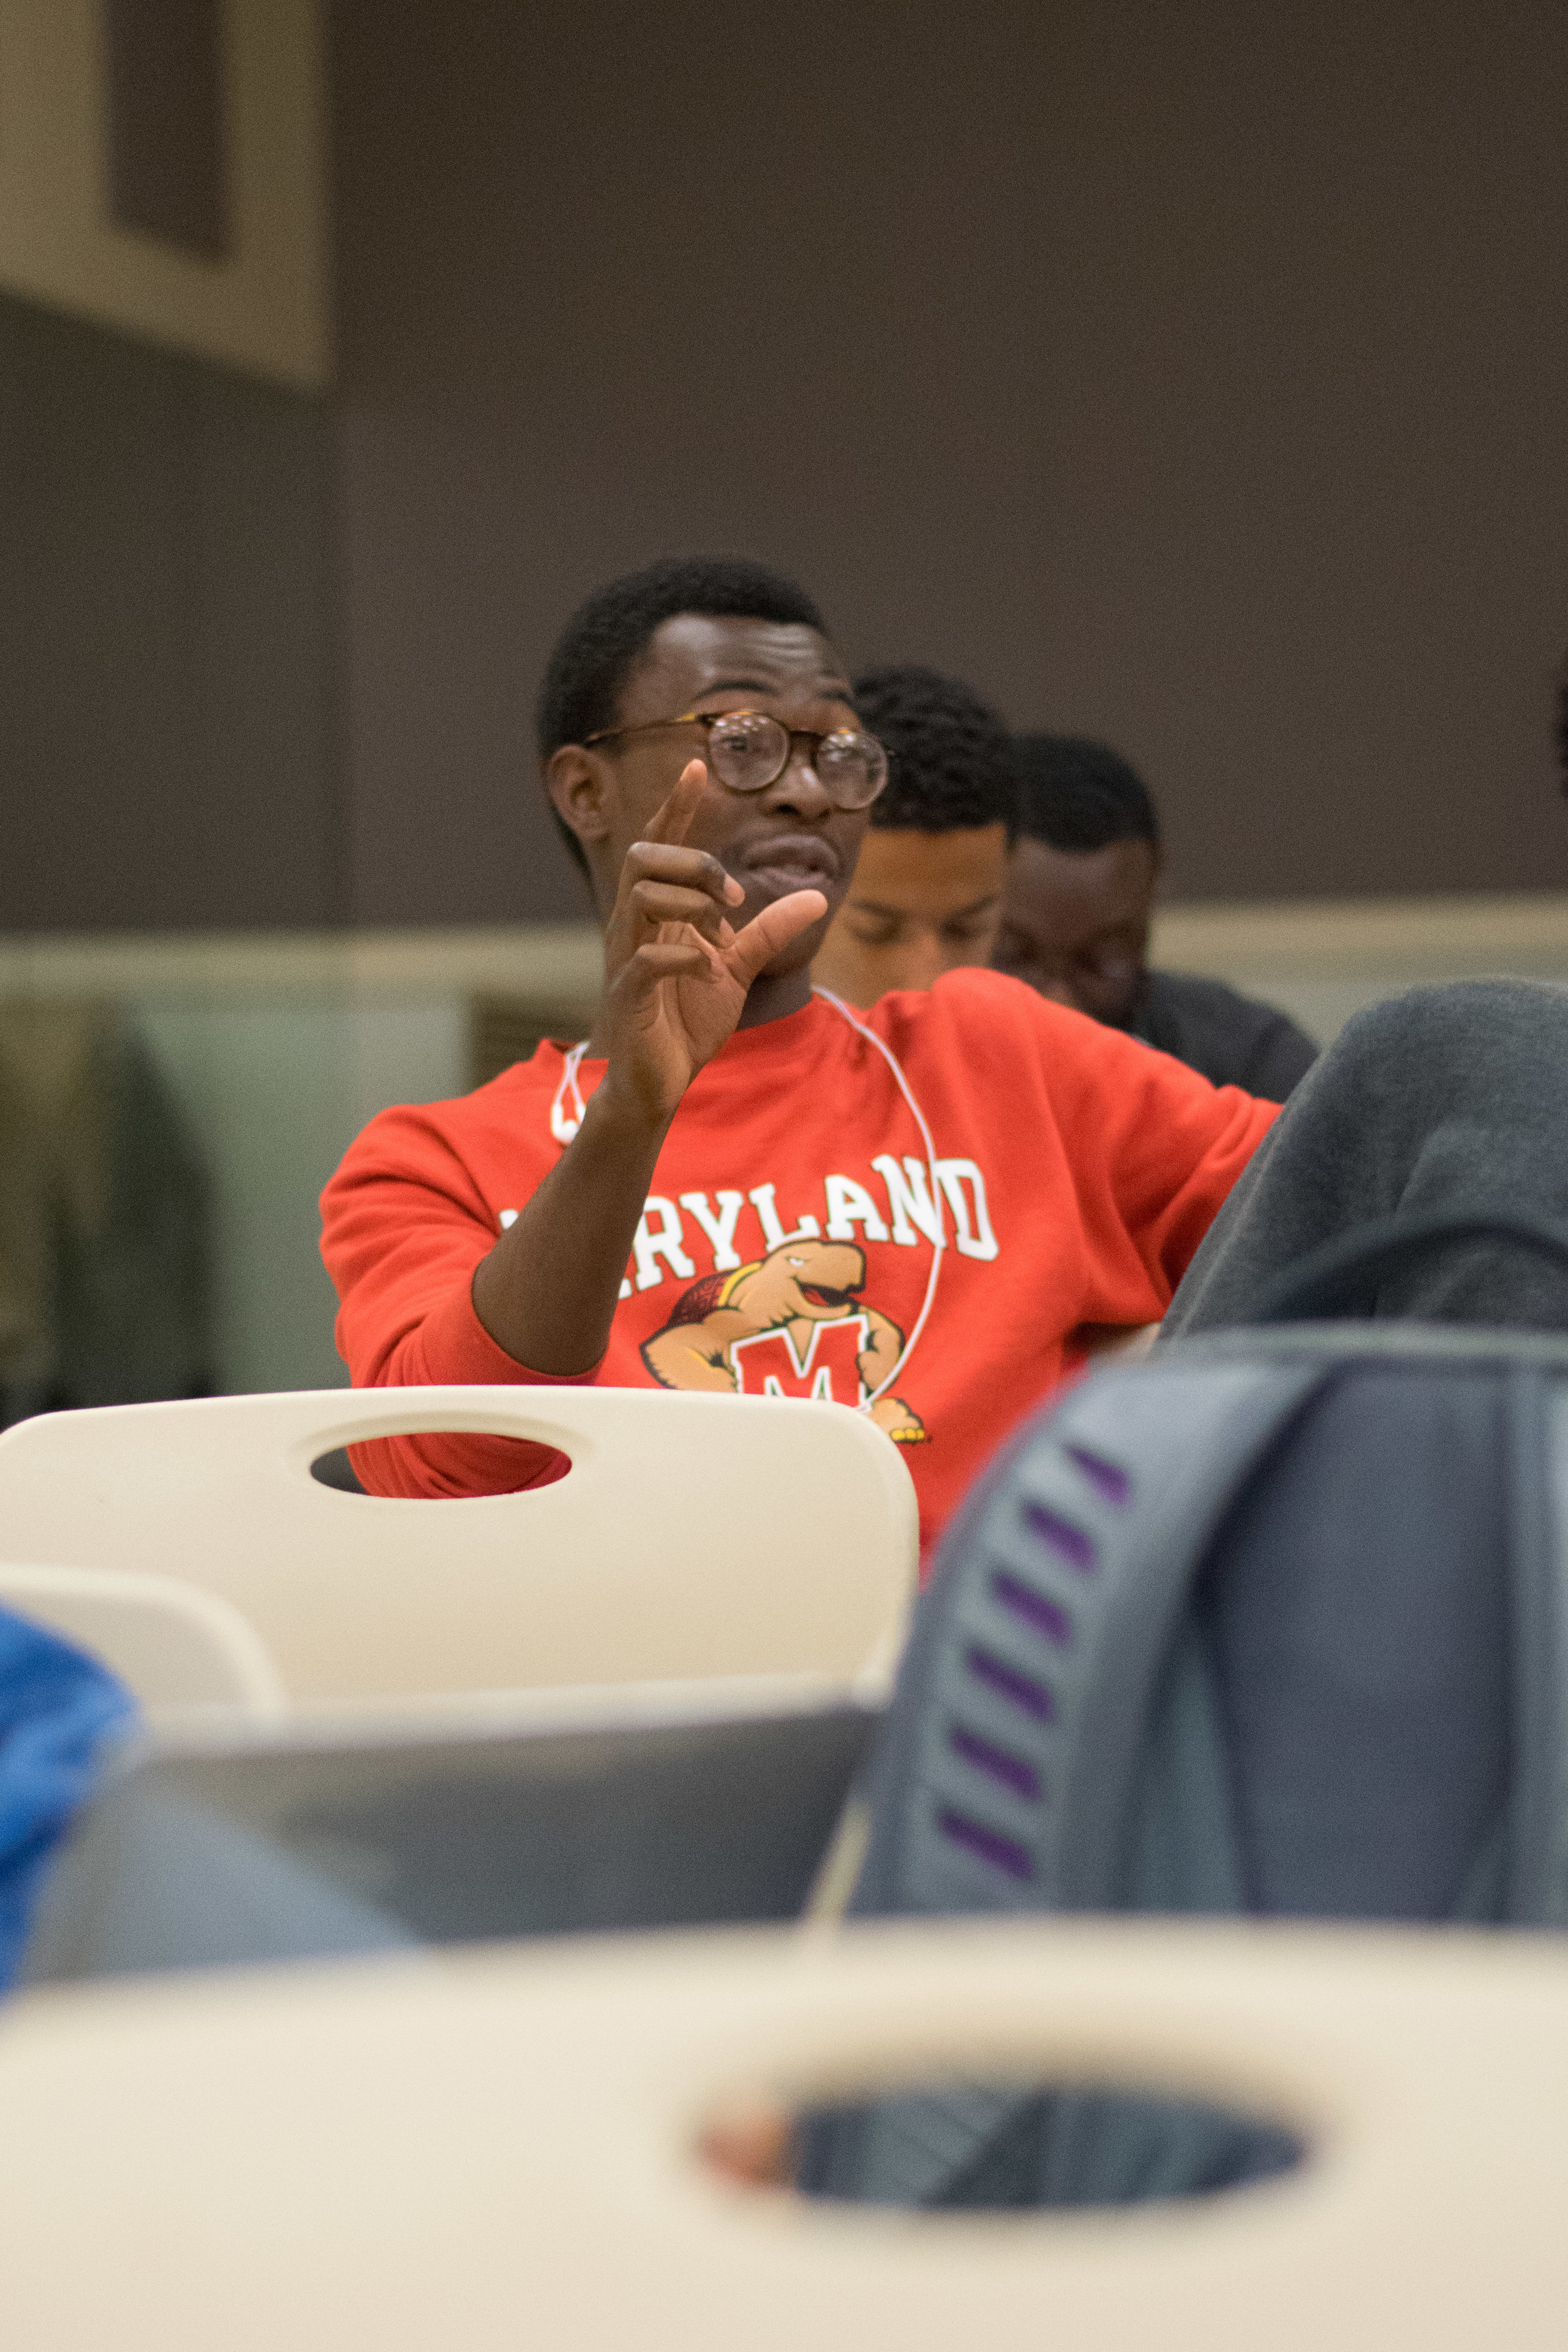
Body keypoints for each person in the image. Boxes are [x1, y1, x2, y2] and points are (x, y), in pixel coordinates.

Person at [320, 556, 1276, 1560]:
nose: (810, 790)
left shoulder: (1003, 1056)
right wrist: (630, 1117)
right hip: (655, 1689)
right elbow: (441, 1463)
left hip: (969, 1687)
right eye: (745, 743)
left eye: (838, 749)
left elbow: (1343, 1215)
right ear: (586, 788)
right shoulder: (433, 1159)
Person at [995, 734, 1318, 1098]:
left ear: (1151, 900)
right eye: (1013, 957)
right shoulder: (920, 1061)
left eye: (1103, 962)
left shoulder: (1248, 1062)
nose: (1060, 1008)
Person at [810, 666, 1015, 1005]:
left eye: (966, 931)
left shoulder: (1063, 1055)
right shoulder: (702, 1053)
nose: (926, 983)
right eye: (876, 932)